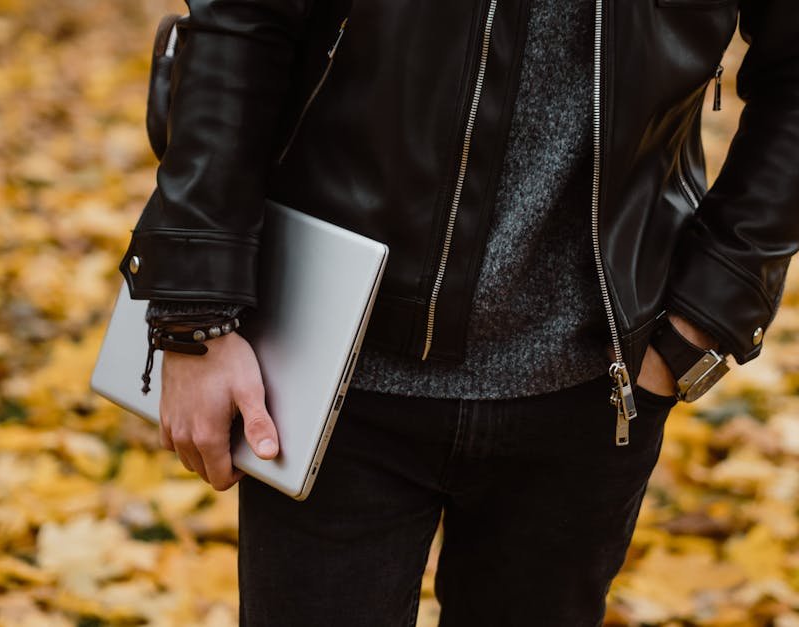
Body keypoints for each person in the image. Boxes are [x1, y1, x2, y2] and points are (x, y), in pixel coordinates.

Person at [119, 1, 799, 625]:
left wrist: (703, 317)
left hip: (593, 395)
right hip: (327, 373)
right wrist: (196, 310)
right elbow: (244, 16)